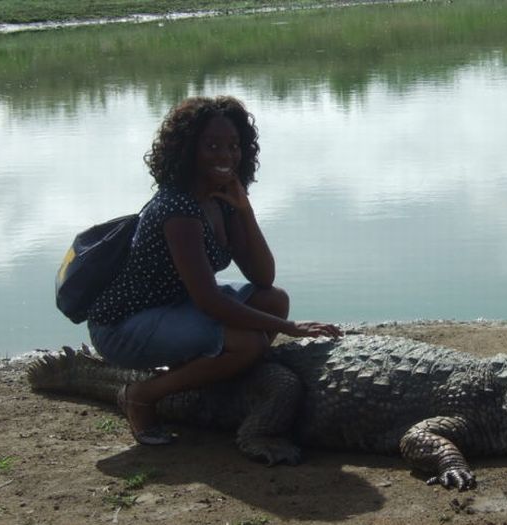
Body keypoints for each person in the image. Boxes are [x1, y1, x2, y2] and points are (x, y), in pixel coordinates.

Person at [86, 95, 341, 445]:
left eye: (234, 145)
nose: (226, 155)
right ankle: (143, 395)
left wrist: (244, 210)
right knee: (248, 343)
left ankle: (209, 380)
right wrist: (290, 329)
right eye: (212, 145)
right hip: (124, 323)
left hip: (176, 306)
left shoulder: (220, 199)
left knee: (273, 300)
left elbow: (263, 277)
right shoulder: (177, 208)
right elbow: (208, 300)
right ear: (189, 150)